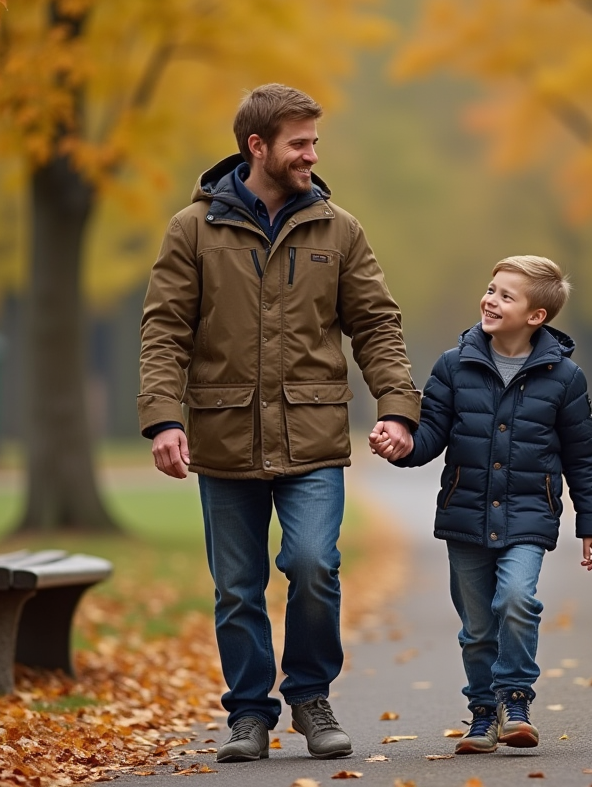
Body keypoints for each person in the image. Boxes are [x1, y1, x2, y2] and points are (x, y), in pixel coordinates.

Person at [138, 83, 421, 763]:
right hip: (224, 436)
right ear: (256, 146)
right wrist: (163, 420)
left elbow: (376, 325)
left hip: (312, 436)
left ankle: (312, 696)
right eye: (299, 143)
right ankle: (248, 714)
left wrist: (397, 407)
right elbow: (165, 330)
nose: (311, 155)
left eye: (314, 142)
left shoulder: (339, 229)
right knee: (237, 588)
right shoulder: (192, 230)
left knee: (314, 564)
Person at [369, 255, 592, 754]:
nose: (490, 300)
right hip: (465, 515)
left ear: (536, 316)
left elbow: (584, 456)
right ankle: (483, 714)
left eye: (506, 296)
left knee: (517, 600)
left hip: (529, 515)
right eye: (490, 289)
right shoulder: (453, 366)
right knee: (478, 628)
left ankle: (515, 701)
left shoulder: (565, 378)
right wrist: (401, 446)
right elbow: (430, 436)